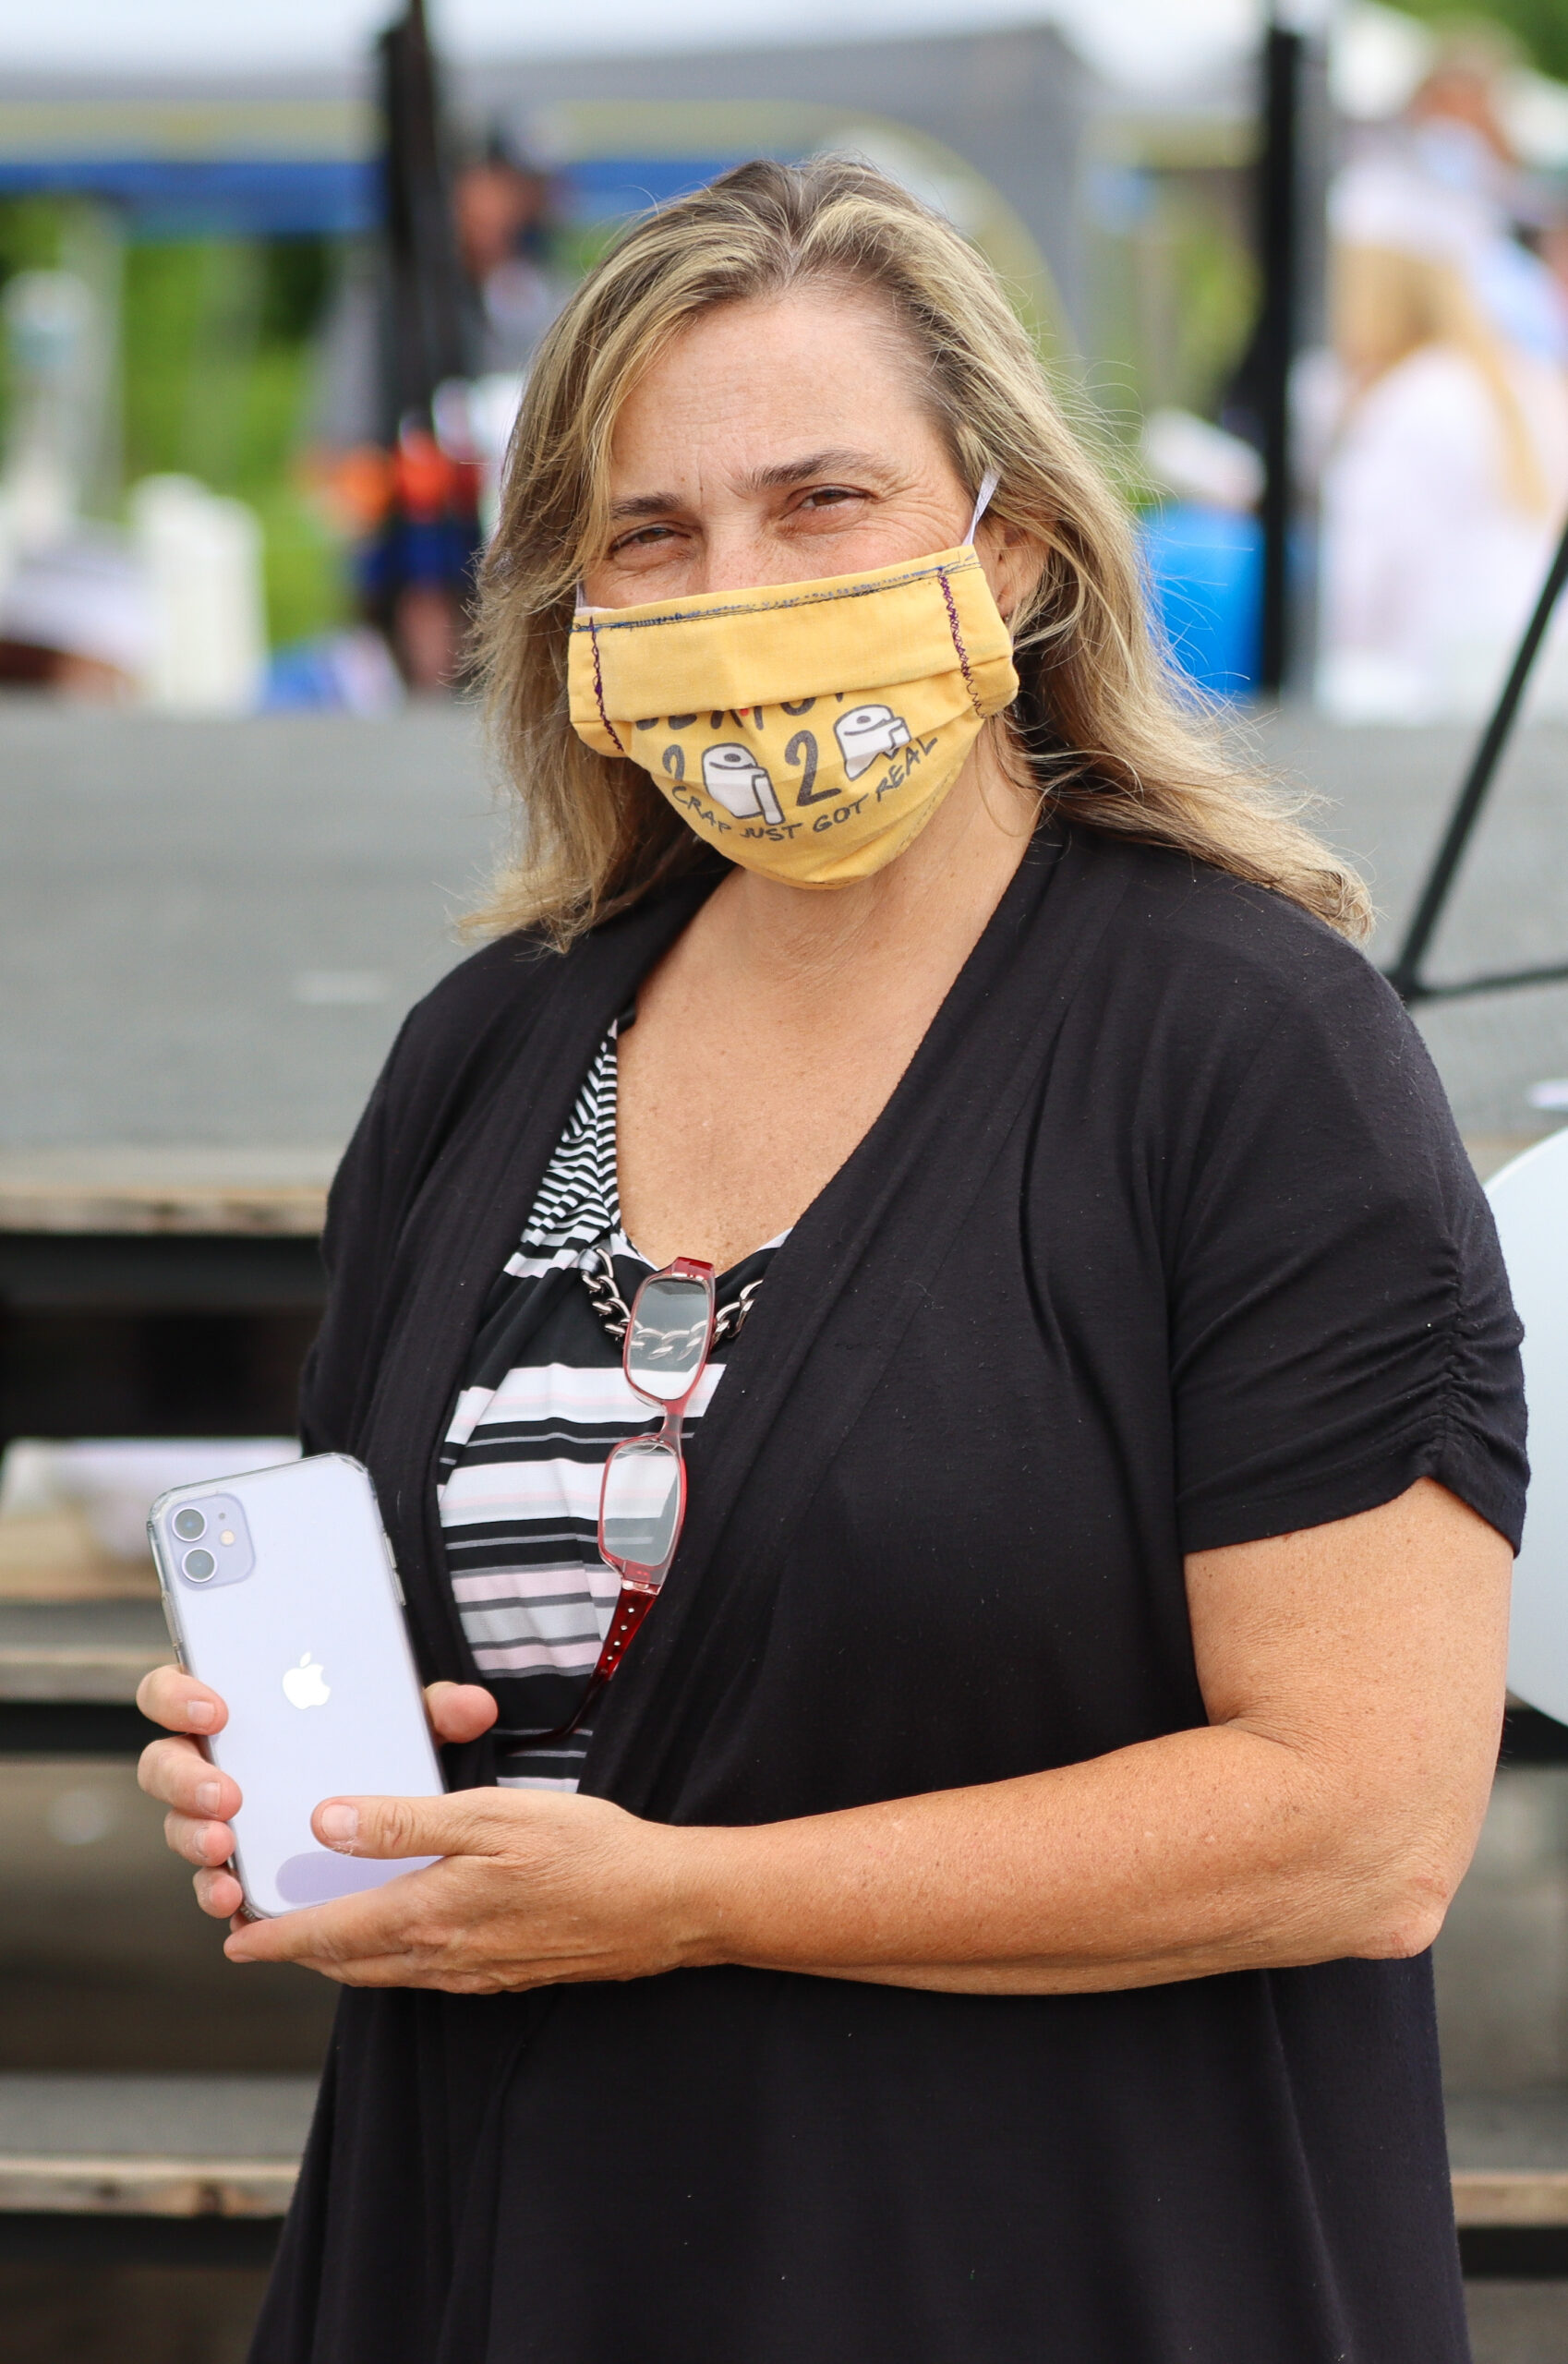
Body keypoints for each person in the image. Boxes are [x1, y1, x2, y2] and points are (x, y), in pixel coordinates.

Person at [137, 160, 1525, 2364]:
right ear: (573, 615)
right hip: (508, 2247)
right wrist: (297, 1781)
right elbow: (418, 1660)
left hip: (1059, 2265)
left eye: (822, 503)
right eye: (652, 534)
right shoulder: (492, 1050)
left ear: (1014, 543)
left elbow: (1357, 1822)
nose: (738, 587)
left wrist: (689, 1896)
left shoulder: (1246, 1046)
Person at [1314, 170, 1568, 720]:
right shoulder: (1523, 382)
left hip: (1421, 695)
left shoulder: (1411, 401)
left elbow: (1354, 585)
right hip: (1524, 685)